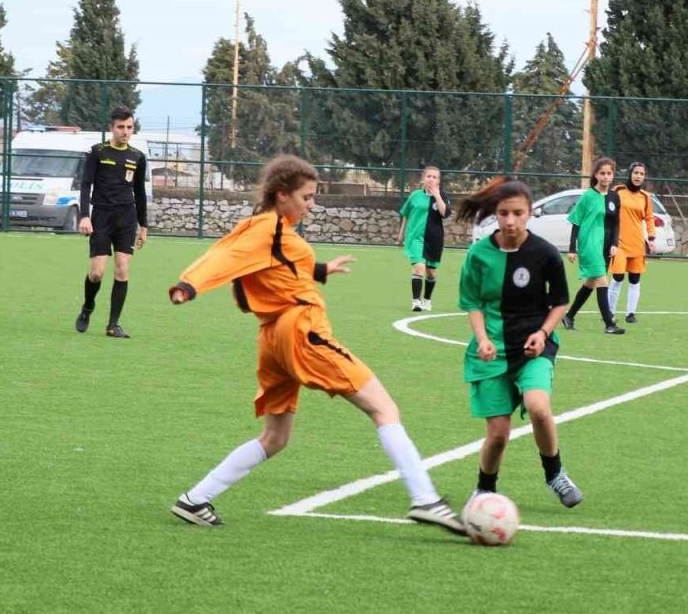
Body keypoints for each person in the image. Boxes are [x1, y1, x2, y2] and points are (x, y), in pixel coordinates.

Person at [166, 154, 464, 535]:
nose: (312, 204)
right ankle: (427, 500)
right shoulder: (267, 229)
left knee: (275, 438)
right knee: (384, 407)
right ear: (281, 195)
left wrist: (321, 269)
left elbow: (277, 265)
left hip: (272, 340)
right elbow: (224, 256)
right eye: (306, 197)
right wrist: (188, 286)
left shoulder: (272, 229)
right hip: (300, 331)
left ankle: (196, 499)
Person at [455, 176, 583, 508]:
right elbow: (472, 303)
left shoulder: (545, 254)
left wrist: (542, 334)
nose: (511, 221)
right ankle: (485, 489)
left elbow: (559, 302)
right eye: (503, 213)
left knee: (539, 408)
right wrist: (482, 339)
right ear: (495, 215)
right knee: (498, 434)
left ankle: (555, 474)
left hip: (534, 349)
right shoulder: (479, 255)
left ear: (530, 214)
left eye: (518, 213)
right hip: (492, 352)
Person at [74, 106, 149, 338]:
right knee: (96, 273)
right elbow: (86, 185)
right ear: (111, 128)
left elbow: (140, 193)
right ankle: (87, 307)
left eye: (129, 127)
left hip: (126, 219)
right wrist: (84, 215)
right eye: (121, 127)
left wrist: (143, 226)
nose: (125, 132)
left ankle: (113, 324)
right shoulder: (98, 152)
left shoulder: (137, 157)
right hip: (101, 217)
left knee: (122, 270)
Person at [563, 157, 625, 334]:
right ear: (596, 175)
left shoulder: (614, 197)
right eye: (602, 173)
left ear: (613, 175)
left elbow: (615, 223)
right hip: (589, 242)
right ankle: (609, 324)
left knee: (591, 282)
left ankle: (569, 315)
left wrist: (614, 243)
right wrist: (572, 248)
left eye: (609, 173)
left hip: (605, 245)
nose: (606, 177)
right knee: (602, 280)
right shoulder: (588, 196)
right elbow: (576, 222)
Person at [607, 162, 658, 324]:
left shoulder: (645, 197)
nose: (638, 176)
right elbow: (608, 213)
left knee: (635, 279)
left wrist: (651, 238)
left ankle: (631, 314)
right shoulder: (618, 191)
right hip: (619, 242)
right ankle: (609, 312)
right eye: (636, 173)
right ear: (630, 174)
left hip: (637, 243)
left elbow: (649, 218)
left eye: (641, 174)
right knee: (618, 277)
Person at [396, 166, 450, 311]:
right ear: (423, 179)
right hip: (415, 238)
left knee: (431, 272)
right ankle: (416, 302)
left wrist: (437, 195)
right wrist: (401, 233)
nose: (431, 179)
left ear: (438, 181)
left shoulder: (442, 196)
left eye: (435, 177)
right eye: (429, 176)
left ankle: (427, 300)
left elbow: (445, 213)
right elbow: (405, 213)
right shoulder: (415, 195)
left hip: (434, 239)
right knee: (419, 268)